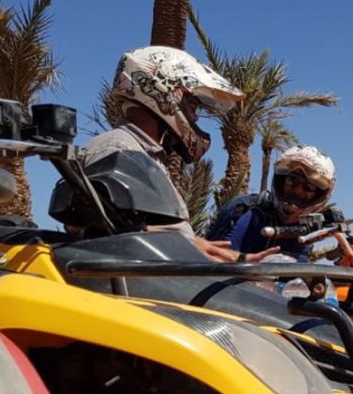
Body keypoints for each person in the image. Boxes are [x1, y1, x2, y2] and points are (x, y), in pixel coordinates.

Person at [80, 45, 277, 263]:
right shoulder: (117, 149)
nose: (195, 117)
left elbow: (129, 228)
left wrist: (210, 254)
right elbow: (97, 233)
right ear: (164, 93)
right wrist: (184, 245)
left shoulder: (144, 155)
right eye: (192, 106)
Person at [216, 145, 335, 262]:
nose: (297, 191)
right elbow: (217, 259)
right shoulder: (253, 216)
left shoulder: (309, 230)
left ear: (319, 195)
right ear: (281, 181)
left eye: (308, 187)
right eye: (292, 180)